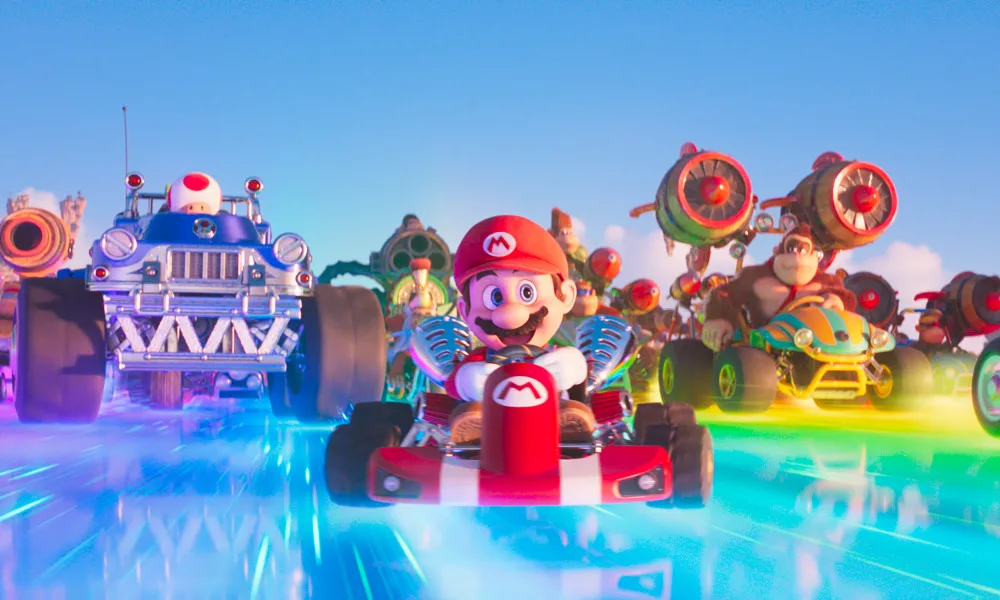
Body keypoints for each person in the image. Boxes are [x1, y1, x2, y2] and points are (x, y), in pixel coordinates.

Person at [444, 214, 596, 444]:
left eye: (527, 293)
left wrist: (574, 367)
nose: (509, 316)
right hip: (491, 443)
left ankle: (567, 426)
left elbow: (586, 383)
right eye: (494, 297)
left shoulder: (554, 354)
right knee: (471, 412)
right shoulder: (480, 359)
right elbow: (453, 384)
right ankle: (476, 430)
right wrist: (467, 382)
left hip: (552, 441)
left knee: (571, 407)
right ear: (465, 311)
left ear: (565, 296)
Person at [701, 223, 857, 351]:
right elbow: (726, 293)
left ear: (815, 255)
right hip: (767, 345)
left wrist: (837, 299)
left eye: (804, 250)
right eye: (792, 249)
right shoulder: (755, 276)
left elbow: (845, 298)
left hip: (817, 343)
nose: (797, 256)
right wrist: (718, 317)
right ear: (776, 251)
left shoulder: (827, 281)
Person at [550, 208, 588, 277]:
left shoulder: (578, 252)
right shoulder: (551, 251)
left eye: (570, 232)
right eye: (564, 232)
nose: (568, 235)